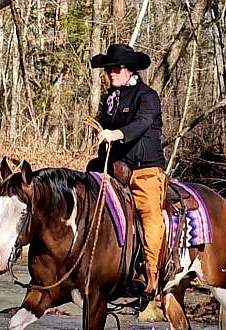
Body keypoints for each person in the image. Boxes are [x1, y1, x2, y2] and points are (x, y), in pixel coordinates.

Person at [88, 43, 165, 296]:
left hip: (145, 171)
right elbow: (105, 125)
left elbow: (142, 123)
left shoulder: (148, 96)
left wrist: (116, 133)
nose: (111, 72)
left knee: (149, 214)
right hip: (115, 169)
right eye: (109, 68)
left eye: (116, 68)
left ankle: (152, 275)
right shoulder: (110, 99)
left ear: (129, 69)